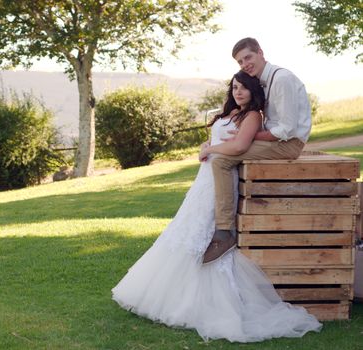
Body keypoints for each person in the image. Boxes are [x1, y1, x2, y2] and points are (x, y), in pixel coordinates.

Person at [111, 70, 322, 343]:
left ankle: (215, 288)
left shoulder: (253, 115)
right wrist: (206, 144)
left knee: (205, 233)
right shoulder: (230, 114)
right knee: (186, 230)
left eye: (244, 88)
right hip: (204, 181)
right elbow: (217, 140)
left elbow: (238, 147)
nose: (238, 92)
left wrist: (210, 151)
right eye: (234, 87)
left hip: (219, 181)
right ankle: (171, 295)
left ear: (253, 92)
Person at [203, 37, 312, 264]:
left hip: (287, 145)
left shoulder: (280, 79)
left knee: (221, 159)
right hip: (276, 142)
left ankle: (224, 233)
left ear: (261, 52)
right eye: (240, 62)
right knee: (228, 150)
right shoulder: (263, 80)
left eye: (248, 57)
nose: (245, 64)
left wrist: (248, 135)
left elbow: (287, 129)